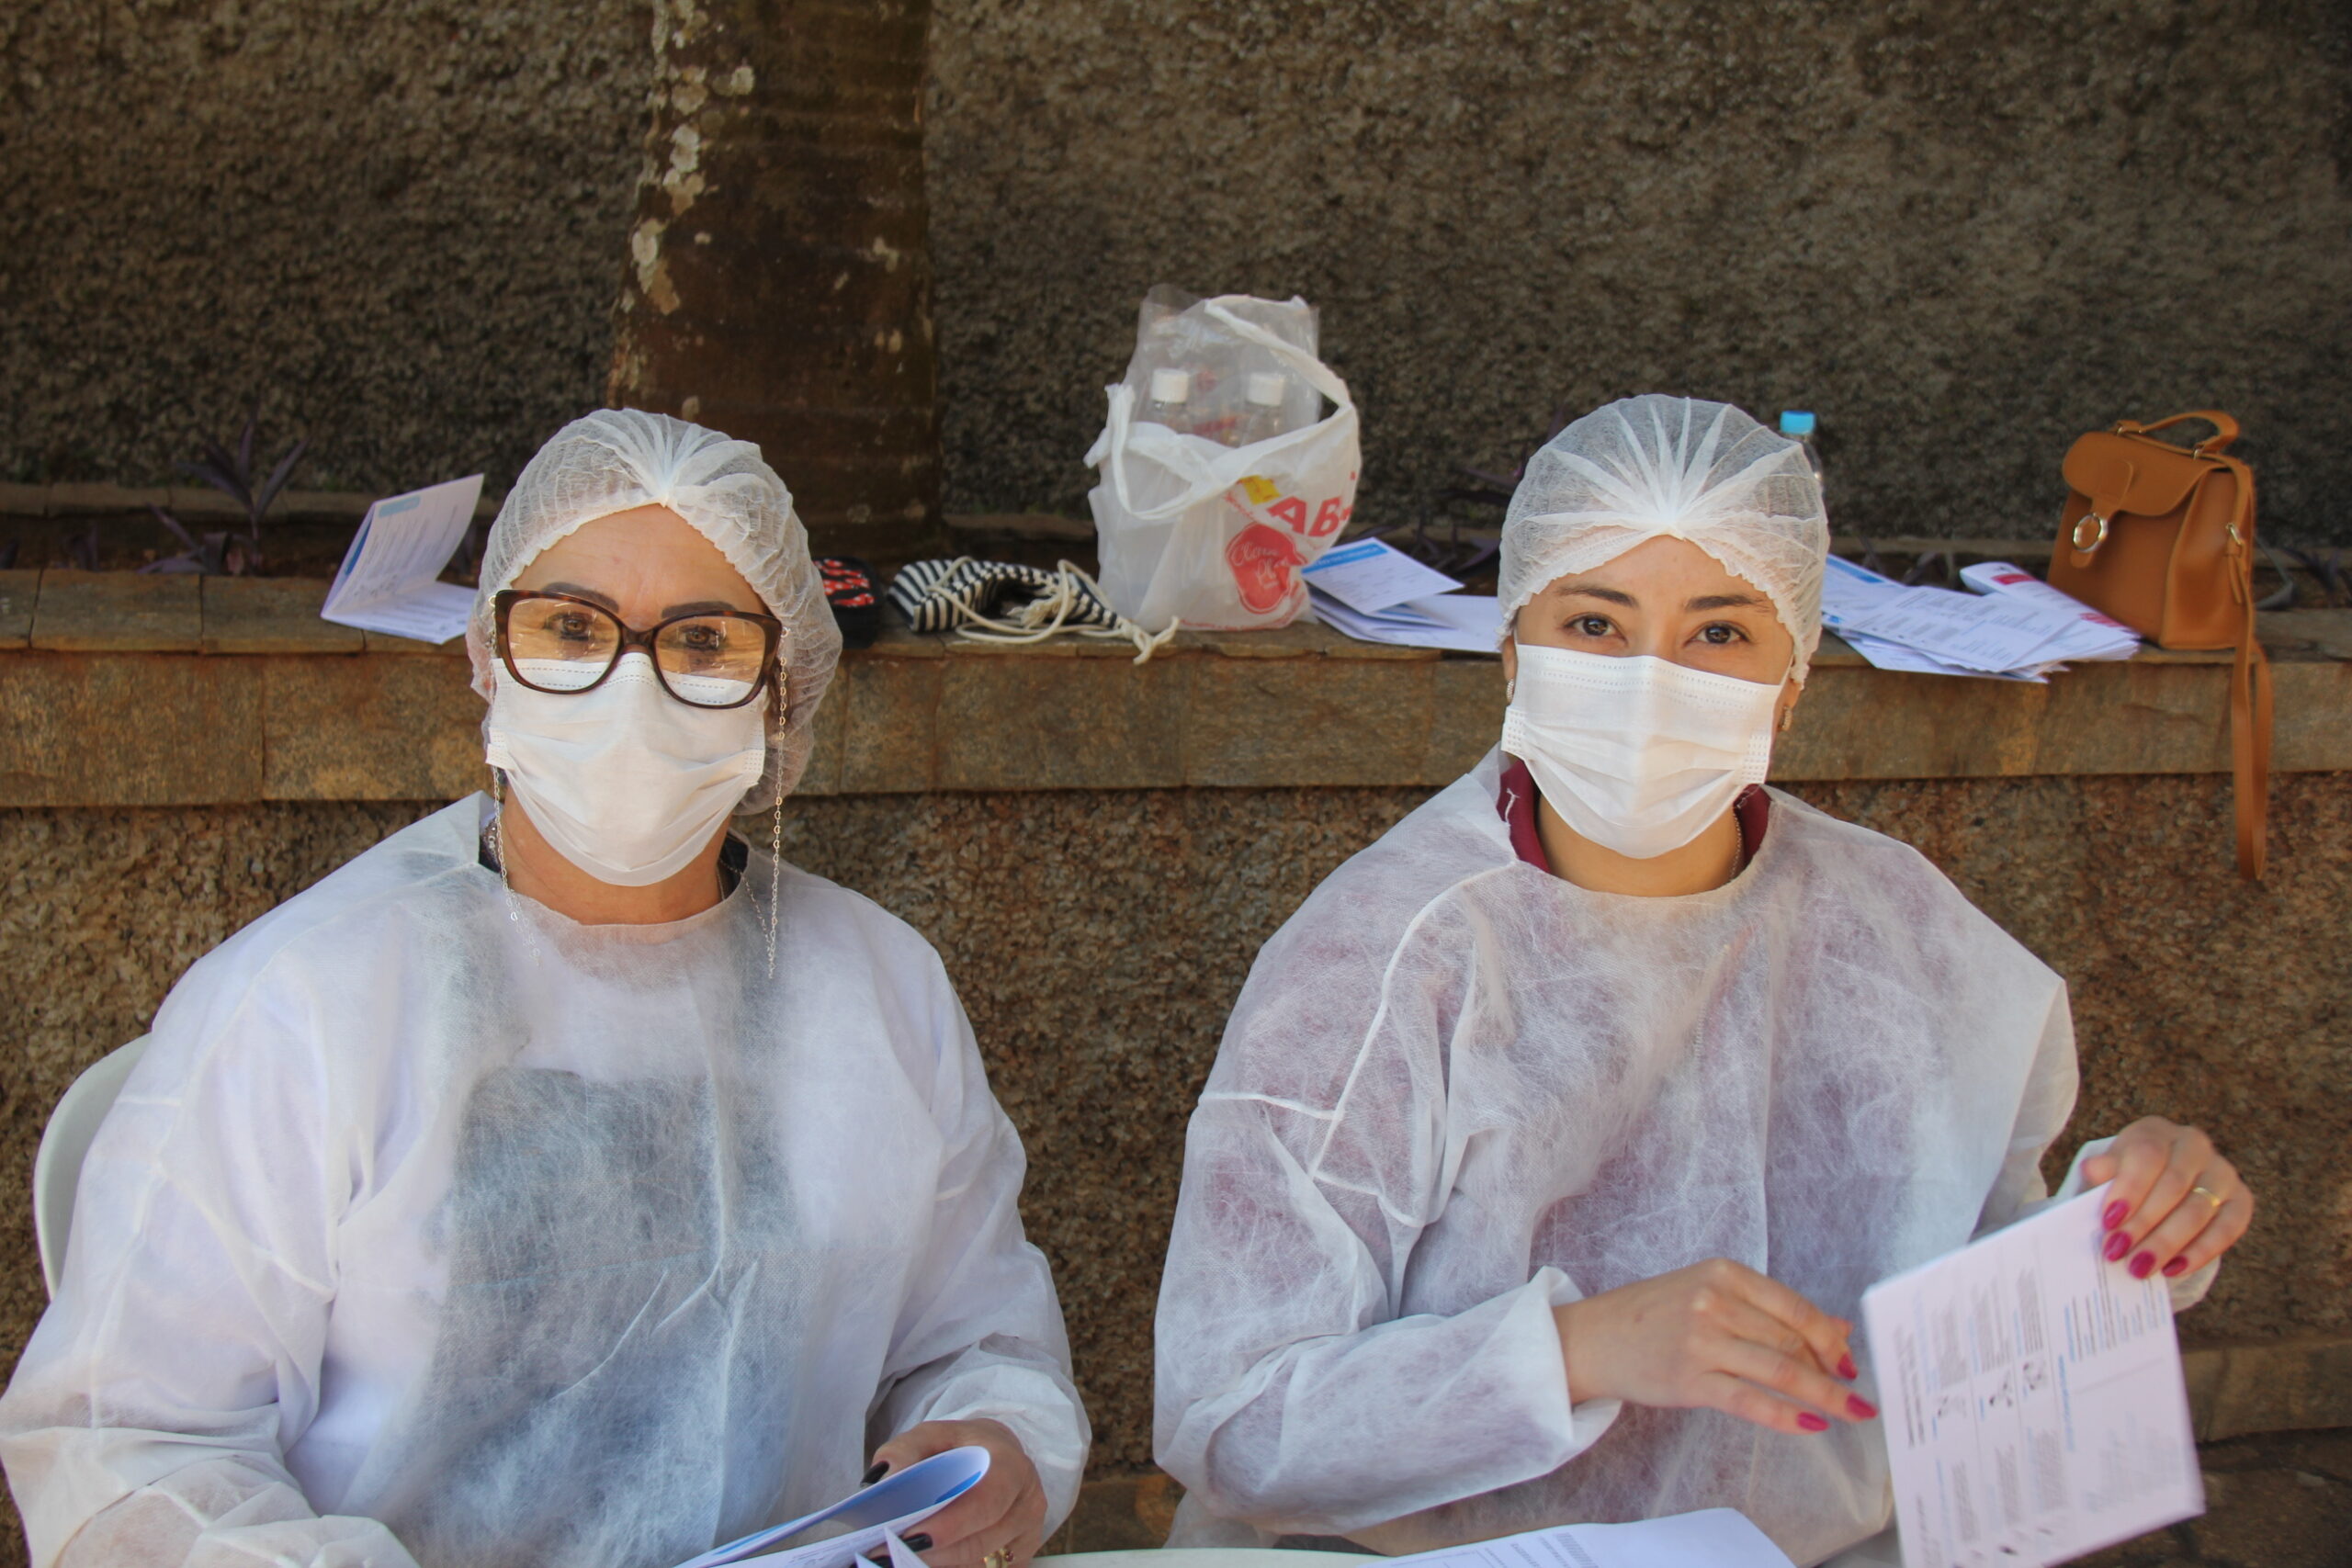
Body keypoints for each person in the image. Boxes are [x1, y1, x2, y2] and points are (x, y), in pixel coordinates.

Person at [1152, 395, 2253, 1565]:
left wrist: (2123, 1231)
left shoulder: (1898, 930)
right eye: (1593, 622)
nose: (1650, 680)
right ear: (1511, 652)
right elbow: (1232, 1422)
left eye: (1720, 634)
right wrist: (1580, 1350)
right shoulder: (1384, 962)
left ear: (1795, 678)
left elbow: (1962, 1298)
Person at [0, 412, 1090, 1568]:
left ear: (785, 694)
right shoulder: (305, 1005)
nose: (630, 689)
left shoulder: (877, 993)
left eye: (704, 642)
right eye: (570, 628)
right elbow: (126, 1445)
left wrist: (1001, 1443)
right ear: (486, 655)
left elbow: (978, 1340)